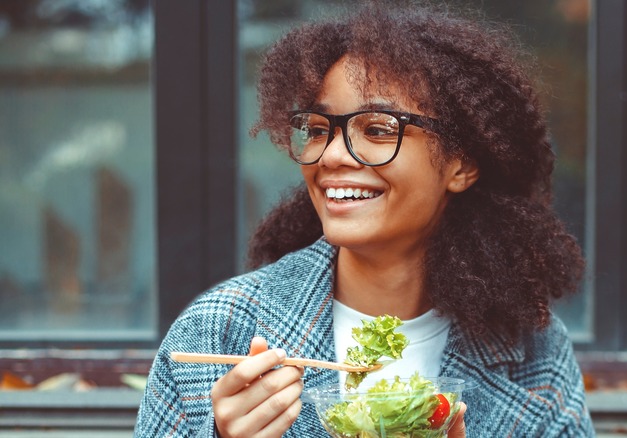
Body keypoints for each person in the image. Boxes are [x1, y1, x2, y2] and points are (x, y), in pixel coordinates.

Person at [134, 2, 594, 436]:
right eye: (318, 130)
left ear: (462, 165)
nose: (332, 155)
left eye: (377, 129)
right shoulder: (219, 331)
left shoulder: (534, 348)